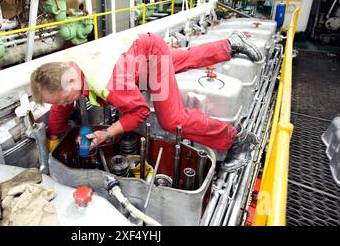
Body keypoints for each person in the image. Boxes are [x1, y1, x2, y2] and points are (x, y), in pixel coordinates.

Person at [30, 31, 262, 172]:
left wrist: (107, 133)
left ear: (71, 80)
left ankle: (236, 139)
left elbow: (139, 112)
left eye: (66, 98)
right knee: (180, 60)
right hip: (135, 49)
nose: (67, 102)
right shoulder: (64, 69)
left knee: (173, 119)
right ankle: (231, 44)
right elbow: (60, 105)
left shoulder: (110, 82)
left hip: (148, 53)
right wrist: (54, 136)